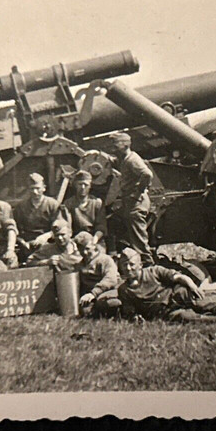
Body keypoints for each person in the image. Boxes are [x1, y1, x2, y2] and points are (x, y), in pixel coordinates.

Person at [116, 248, 216, 323]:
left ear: (140, 265)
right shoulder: (124, 290)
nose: (128, 268)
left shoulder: (154, 271)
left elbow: (179, 276)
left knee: (205, 305)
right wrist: (135, 317)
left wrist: (193, 286)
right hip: (166, 312)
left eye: (132, 265)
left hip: (178, 296)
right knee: (190, 318)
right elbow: (130, 311)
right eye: (124, 265)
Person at [110, 132, 153, 264]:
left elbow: (147, 174)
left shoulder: (132, 159)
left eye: (116, 145)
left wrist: (138, 191)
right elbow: (116, 162)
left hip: (136, 203)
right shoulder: (125, 158)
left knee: (138, 238)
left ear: (125, 145)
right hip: (130, 202)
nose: (113, 148)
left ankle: (147, 263)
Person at [13, 172, 68, 253]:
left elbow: (61, 227)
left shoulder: (52, 204)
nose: (35, 192)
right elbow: (15, 229)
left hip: (49, 242)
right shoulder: (21, 207)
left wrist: (46, 236)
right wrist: (22, 241)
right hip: (28, 244)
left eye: (38, 188)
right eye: (32, 188)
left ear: (44, 188)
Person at [74, 231, 121, 316]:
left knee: (108, 303)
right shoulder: (80, 264)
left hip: (109, 290)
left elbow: (111, 279)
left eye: (87, 248)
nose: (84, 252)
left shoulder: (105, 260)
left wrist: (93, 293)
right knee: (85, 312)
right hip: (92, 294)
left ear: (94, 246)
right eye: (81, 249)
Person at [63, 170, 106, 245]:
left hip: (94, 239)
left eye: (85, 185)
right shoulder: (69, 203)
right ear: (75, 185)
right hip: (75, 240)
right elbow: (68, 227)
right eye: (80, 184)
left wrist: (94, 240)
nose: (83, 187)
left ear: (90, 186)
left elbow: (101, 226)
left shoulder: (97, 203)